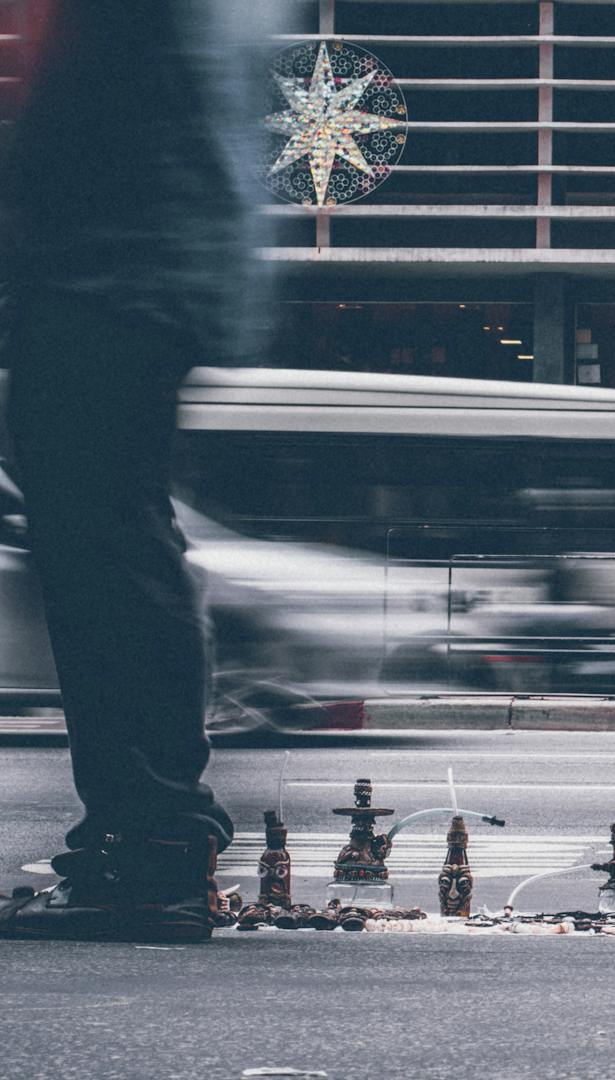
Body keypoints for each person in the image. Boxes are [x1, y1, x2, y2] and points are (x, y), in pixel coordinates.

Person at [0, 1, 276, 942]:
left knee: (102, 547)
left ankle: (151, 843)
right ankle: (146, 838)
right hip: (124, 270)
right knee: (103, 541)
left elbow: (86, 117)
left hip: (107, 273)